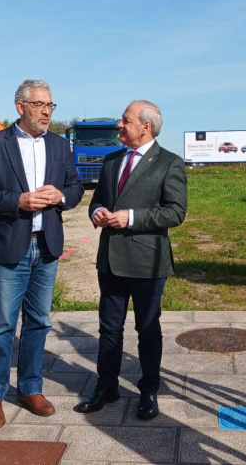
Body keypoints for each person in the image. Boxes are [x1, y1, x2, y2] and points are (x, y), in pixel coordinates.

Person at [0, 79, 84, 429]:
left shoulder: (61, 146)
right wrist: (17, 201)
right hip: (9, 247)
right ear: (21, 107)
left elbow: (76, 187)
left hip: (47, 246)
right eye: (39, 105)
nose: (47, 111)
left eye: (51, 105)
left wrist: (61, 197)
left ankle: (30, 389)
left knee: (39, 322)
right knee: (2, 326)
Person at [76, 100, 187, 420]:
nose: (118, 126)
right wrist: (96, 212)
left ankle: (149, 390)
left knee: (147, 329)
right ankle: (106, 386)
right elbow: (97, 199)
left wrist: (130, 218)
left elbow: (175, 212)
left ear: (145, 126)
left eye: (125, 121)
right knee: (109, 328)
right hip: (110, 259)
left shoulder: (169, 163)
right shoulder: (111, 161)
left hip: (146, 262)